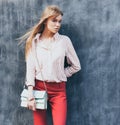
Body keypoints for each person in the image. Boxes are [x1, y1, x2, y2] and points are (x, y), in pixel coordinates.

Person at [20, 5, 81, 125]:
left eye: (60, 21)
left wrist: (61, 73)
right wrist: (30, 95)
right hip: (38, 88)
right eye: (54, 20)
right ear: (45, 21)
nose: (58, 24)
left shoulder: (64, 41)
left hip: (59, 91)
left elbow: (76, 66)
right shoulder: (33, 42)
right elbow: (30, 69)